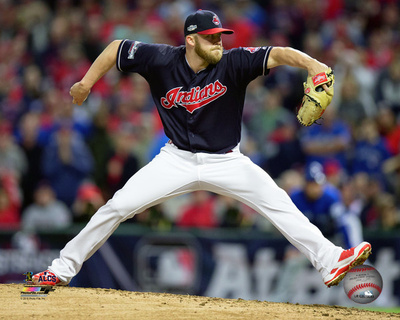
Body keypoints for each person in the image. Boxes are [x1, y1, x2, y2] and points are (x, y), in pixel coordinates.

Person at [33, 10, 371, 288]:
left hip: (227, 160)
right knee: (118, 206)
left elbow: (278, 53)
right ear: (191, 40)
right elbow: (117, 47)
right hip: (175, 158)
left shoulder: (234, 62)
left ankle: (330, 261)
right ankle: (60, 269)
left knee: (279, 203)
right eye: (211, 37)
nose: (218, 41)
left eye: (220, 35)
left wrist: (312, 64)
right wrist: (86, 83)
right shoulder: (162, 59)